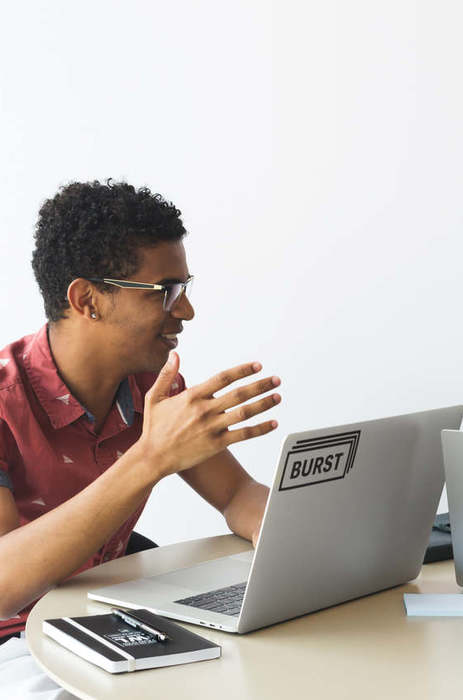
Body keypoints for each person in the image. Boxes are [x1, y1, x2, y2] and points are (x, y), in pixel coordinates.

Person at [0, 181, 281, 696]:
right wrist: (150, 458)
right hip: (15, 645)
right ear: (88, 300)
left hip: (109, 619)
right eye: (166, 291)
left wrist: (314, 549)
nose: (187, 311)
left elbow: (238, 495)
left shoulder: (153, 386)